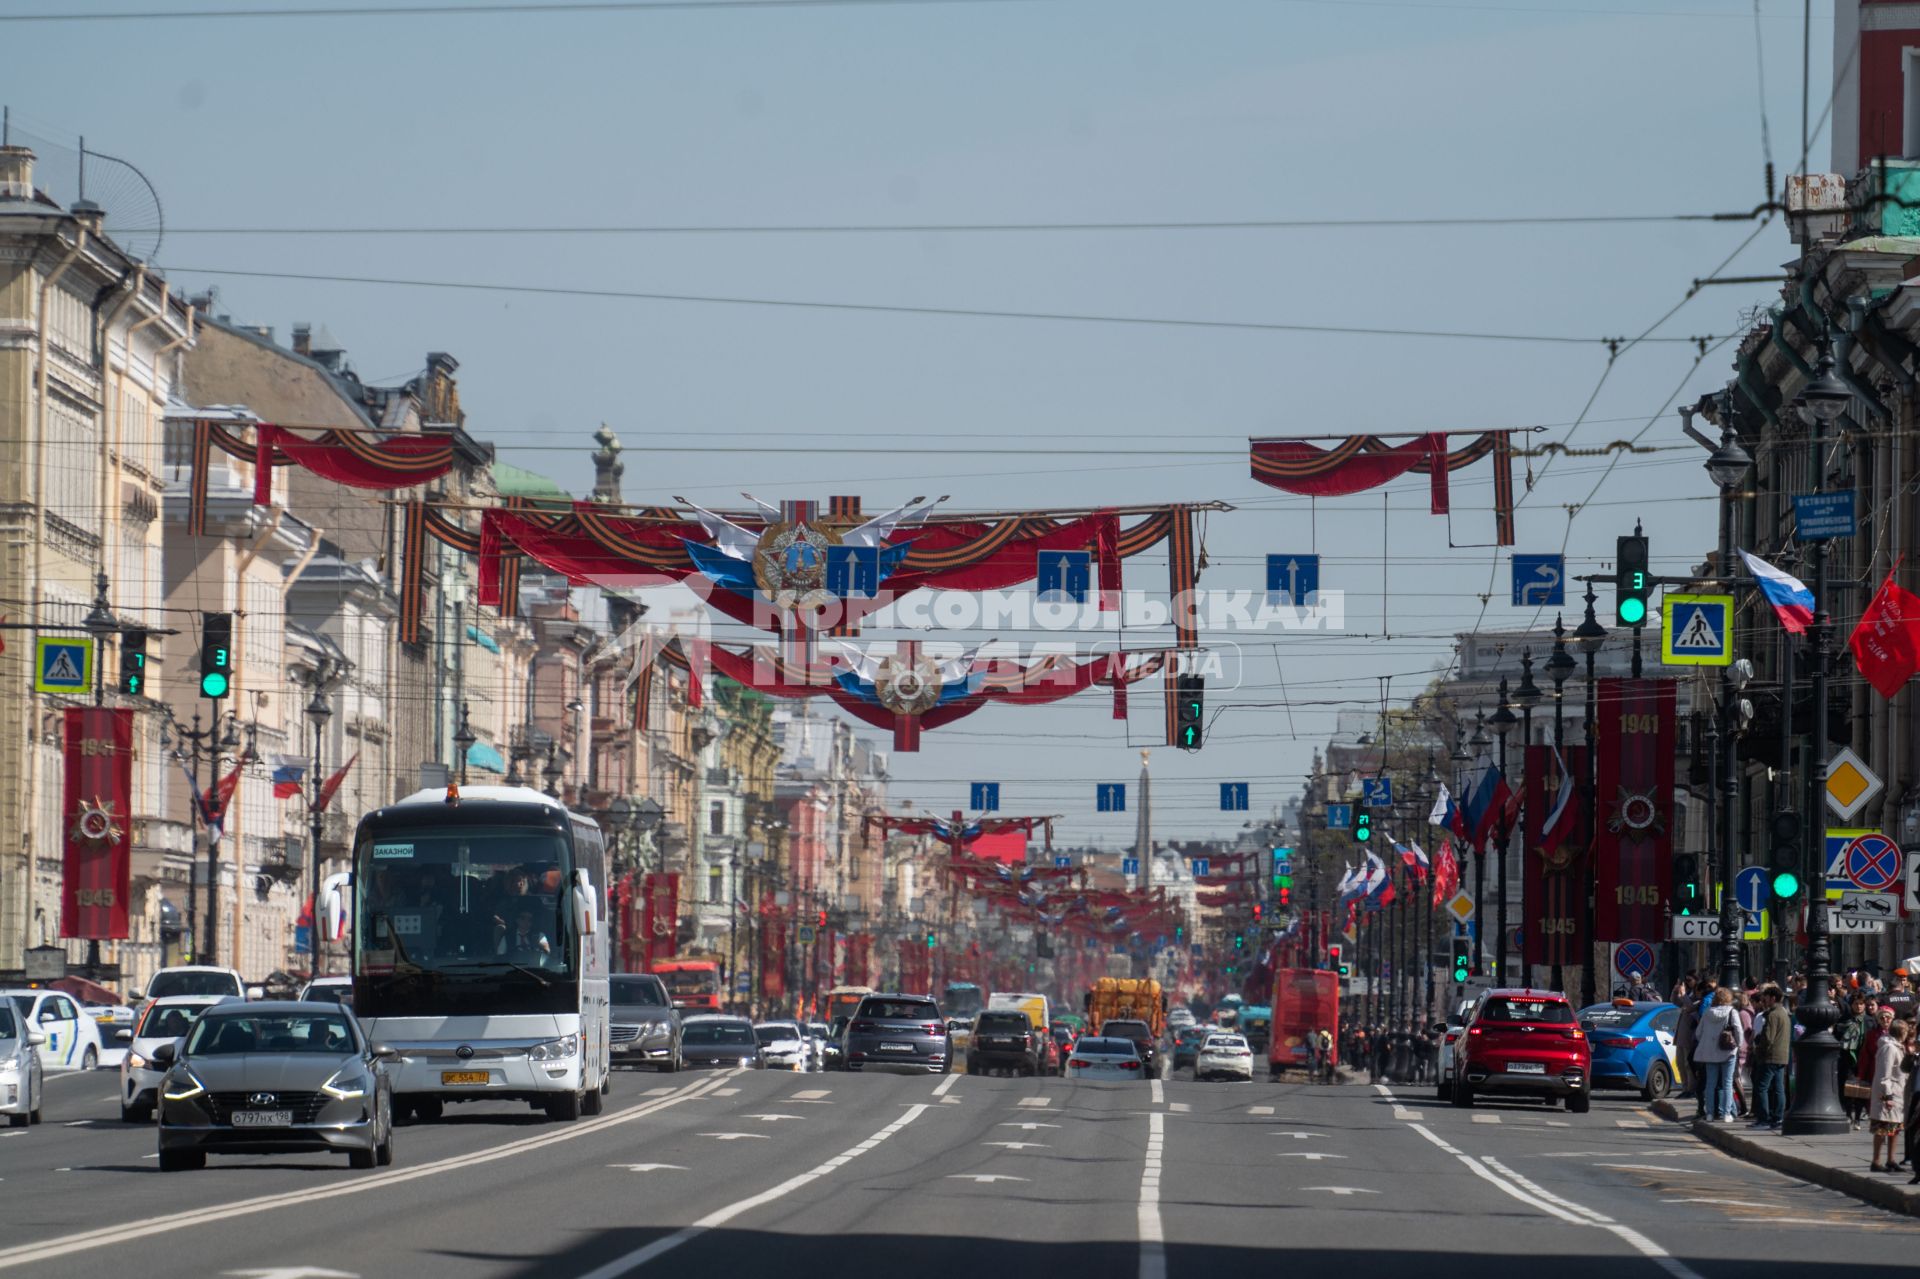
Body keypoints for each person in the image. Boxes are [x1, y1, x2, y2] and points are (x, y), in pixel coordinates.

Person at [1692, 987, 1744, 1123]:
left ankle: (1709, 1113)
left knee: (1710, 1083)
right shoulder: (1732, 1012)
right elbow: (1738, 1030)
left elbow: (1698, 1033)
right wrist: (1738, 1044)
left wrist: (1708, 1041)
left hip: (1710, 1053)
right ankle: (1727, 1114)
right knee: (1727, 1084)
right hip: (1727, 1052)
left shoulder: (1707, 1012)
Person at [1869, 1018, 1913, 1173]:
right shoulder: (1889, 1048)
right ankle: (1876, 1160)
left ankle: (1891, 1159)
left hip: (1898, 1093)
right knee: (1882, 1128)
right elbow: (1884, 1074)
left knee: (1894, 1128)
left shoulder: (1899, 1047)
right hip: (1888, 1094)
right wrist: (1887, 1096)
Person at [1750, 984, 1792, 1131]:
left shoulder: (1773, 1015)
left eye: (1766, 998)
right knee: (1779, 1088)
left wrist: (1758, 1048)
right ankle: (1778, 1118)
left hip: (1770, 1056)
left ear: (1773, 998)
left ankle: (1763, 1119)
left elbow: (1768, 1038)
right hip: (1782, 1056)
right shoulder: (1784, 1013)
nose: (1763, 1001)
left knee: (1761, 1087)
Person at [1839, 993, 1874, 1130]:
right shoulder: (1845, 1019)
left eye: (1861, 1004)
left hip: (1864, 1059)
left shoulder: (1870, 1021)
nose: (1858, 1007)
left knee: (1862, 1088)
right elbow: (1838, 1035)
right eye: (1856, 1004)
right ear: (1851, 1005)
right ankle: (1848, 1114)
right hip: (1848, 1058)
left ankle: (1858, 1118)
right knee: (1849, 1087)